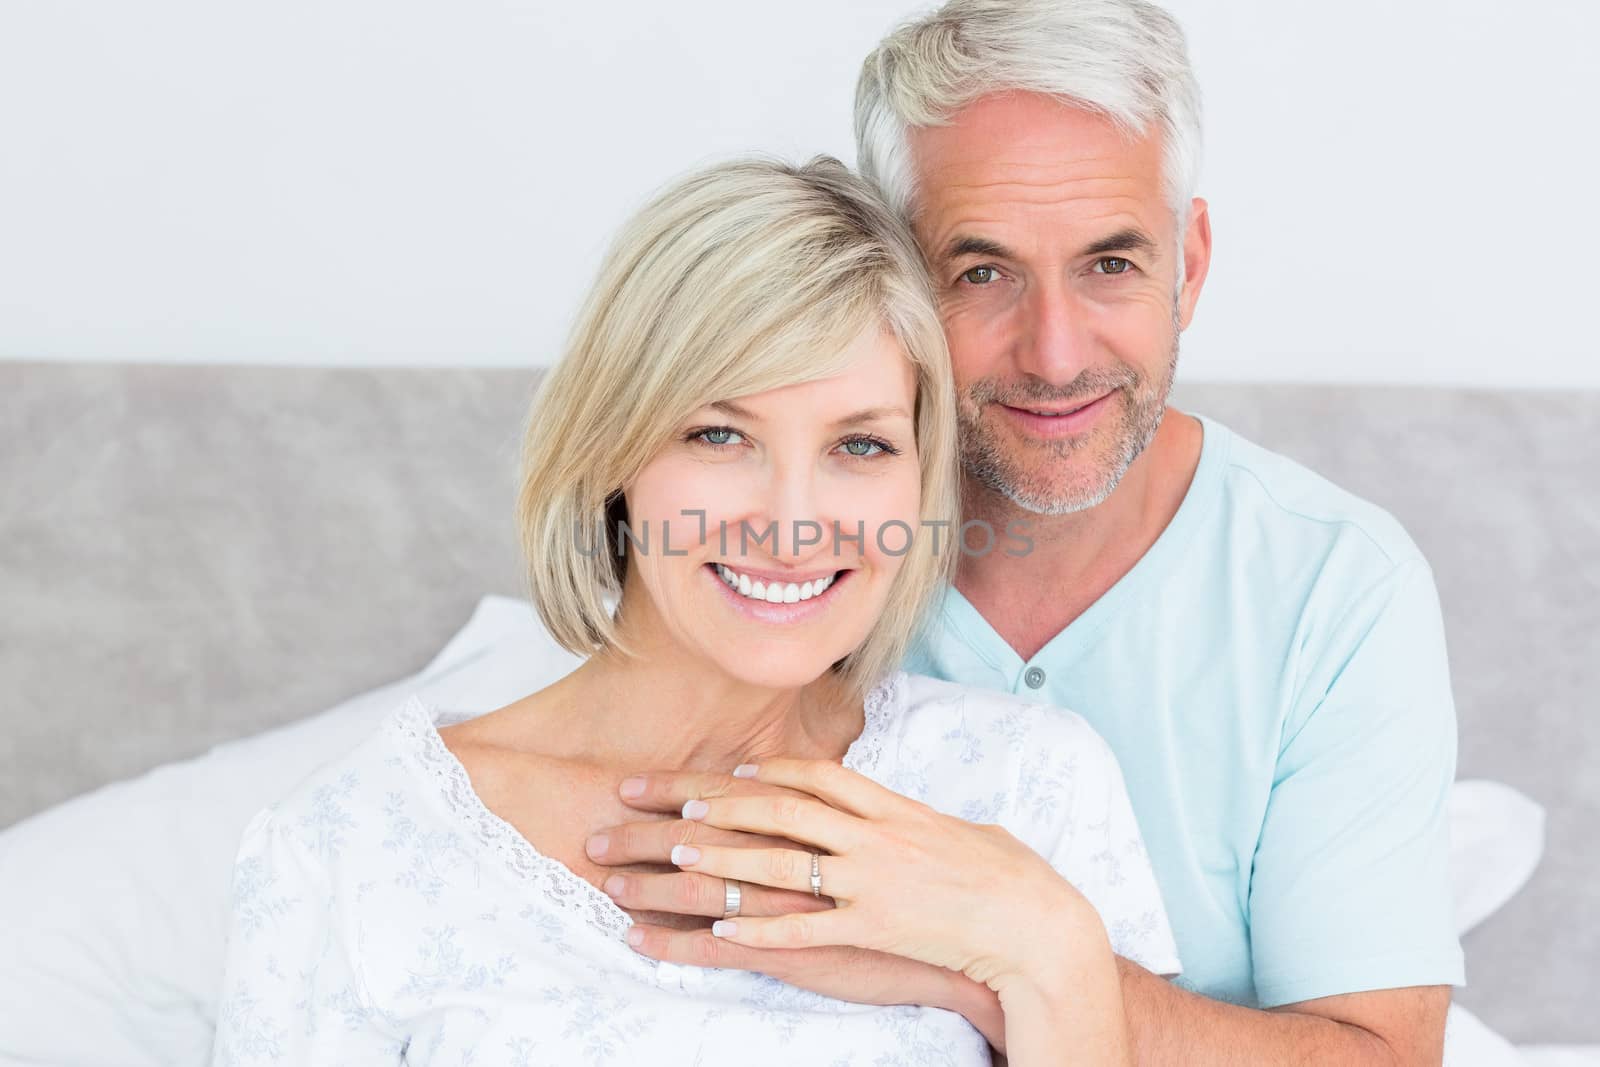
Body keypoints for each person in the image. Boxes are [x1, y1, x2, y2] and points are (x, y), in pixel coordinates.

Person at [587, 2, 1463, 1064]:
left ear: (1187, 261)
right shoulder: (767, 565)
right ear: (896, 277)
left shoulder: (1335, 586)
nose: (1053, 355)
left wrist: (1014, 946)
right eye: (982, 271)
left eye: (1109, 265)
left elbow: (1383, 1054)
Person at [209, 156, 1180, 1065]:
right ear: (613, 447)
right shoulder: (348, 840)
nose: (793, 522)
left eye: (860, 446)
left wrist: (1043, 951)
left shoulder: (1025, 784)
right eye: (720, 433)